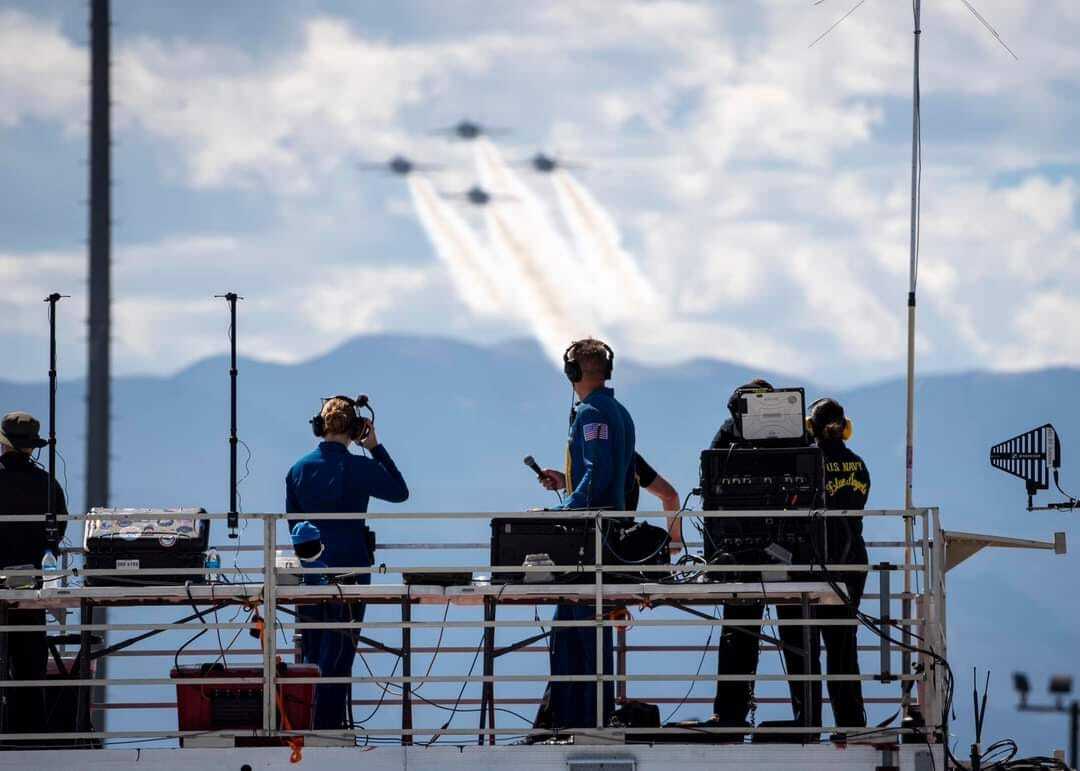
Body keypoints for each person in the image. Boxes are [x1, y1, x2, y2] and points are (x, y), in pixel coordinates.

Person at [285, 395, 408, 730]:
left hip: (310, 572)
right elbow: (400, 491)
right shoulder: (360, 467)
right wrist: (376, 447)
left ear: (318, 427)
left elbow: (294, 527)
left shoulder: (297, 470)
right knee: (339, 654)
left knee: (310, 651)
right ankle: (330, 726)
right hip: (352, 571)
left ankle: (306, 723)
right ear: (356, 429)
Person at [535, 338, 635, 730]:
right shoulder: (618, 411)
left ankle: (580, 723)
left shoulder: (592, 413)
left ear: (574, 372)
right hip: (605, 532)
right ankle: (576, 720)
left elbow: (598, 477)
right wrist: (566, 482)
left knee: (578, 636)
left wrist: (561, 512)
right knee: (577, 631)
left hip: (589, 538)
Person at [707, 380, 817, 736]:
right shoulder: (735, 436)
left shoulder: (728, 437)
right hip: (762, 551)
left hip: (768, 549)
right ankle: (803, 716)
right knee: (787, 633)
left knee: (744, 630)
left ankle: (732, 714)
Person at [803, 397, 870, 733]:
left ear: (810, 427)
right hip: (855, 561)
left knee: (808, 647)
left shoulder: (810, 463)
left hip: (821, 563)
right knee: (844, 646)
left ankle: (809, 723)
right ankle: (851, 723)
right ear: (846, 428)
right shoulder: (859, 465)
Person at [0, 412, 68, 736]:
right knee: (29, 666)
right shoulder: (47, 484)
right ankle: (30, 737)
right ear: (32, 449)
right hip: (30, 589)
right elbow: (57, 533)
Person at [625, 452, 683, 553]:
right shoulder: (627, 454)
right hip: (619, 541)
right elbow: (670, 496)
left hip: (589, 535)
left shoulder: (588, 453)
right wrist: (674, 540)